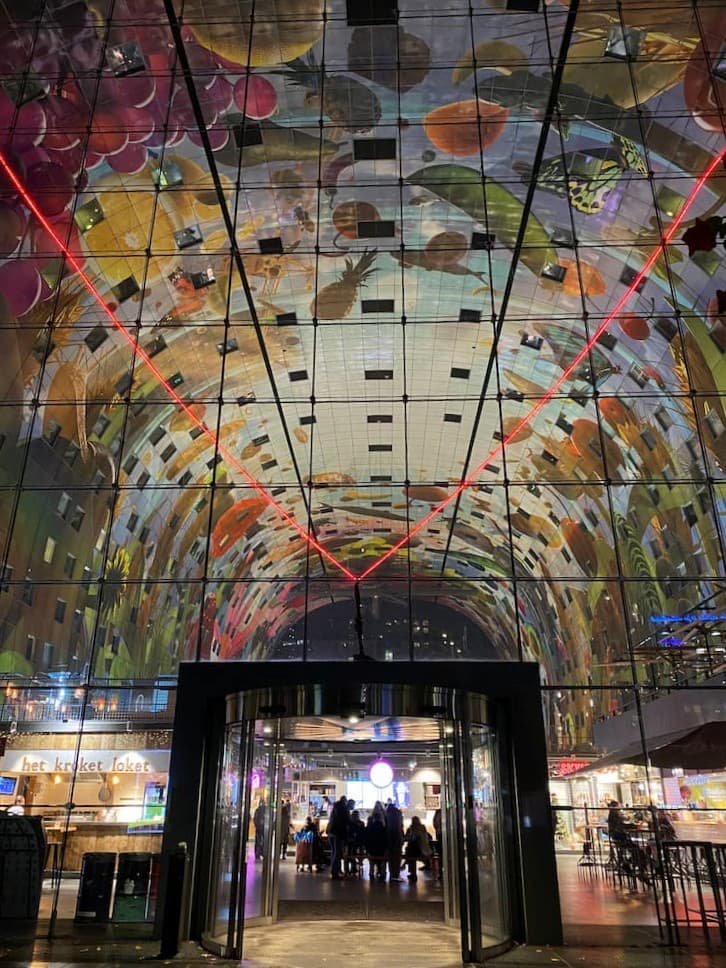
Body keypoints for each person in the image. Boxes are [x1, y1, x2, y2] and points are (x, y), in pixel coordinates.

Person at [327, 794, 350, 879]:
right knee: (337, 853)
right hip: (338, 833)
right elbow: (347, 820)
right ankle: (335, 872)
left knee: (334, 852)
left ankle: (335, 871)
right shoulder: (343, 808)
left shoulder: (335, 808)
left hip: (331, 832)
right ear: (345, 801)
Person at [404, 816, 432, 883]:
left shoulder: (411, 829)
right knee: (410, 852)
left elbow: (407, 838)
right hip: (424, 851)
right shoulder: (423, 829)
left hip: (417, 851)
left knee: (410, 853)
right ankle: (426, 865)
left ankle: (412, 873)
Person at [365, 804, 388, 881]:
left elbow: (368, 838)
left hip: (372, 849)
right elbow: (385, 839)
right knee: (382, 860)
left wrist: (367, 849)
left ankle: (371, 873)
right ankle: (382, 873)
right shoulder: (383, 827)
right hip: (381, 849)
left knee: (372, 861)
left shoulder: (370, 827)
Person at [385, 801, 404, 881]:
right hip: (397, 838)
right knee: (397, 857)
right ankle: (396, 874)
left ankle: (392, 873)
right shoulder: (398, 814)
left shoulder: (387, 816)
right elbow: (400, 826)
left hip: (390, 838)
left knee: (391, 858)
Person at [346, 809, 366, 876]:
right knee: (353, 851)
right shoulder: (361, 823)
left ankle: (350, 867)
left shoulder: (349, 824)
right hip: (357, 843)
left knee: (350, 852)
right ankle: (354, 865)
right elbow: (362, 834)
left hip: (353, 843)